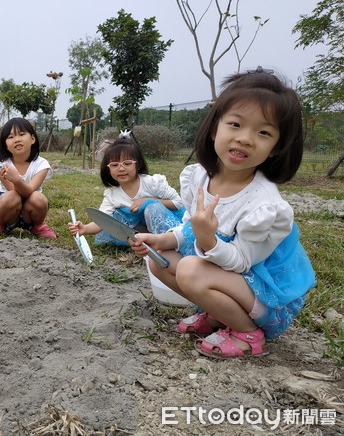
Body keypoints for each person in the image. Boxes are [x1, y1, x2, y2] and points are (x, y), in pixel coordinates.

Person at [128, 67, 315, 358]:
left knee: (190, 269)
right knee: (159, 262)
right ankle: (216, 316)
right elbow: (190, 226)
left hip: (266, 296)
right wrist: (162, 240)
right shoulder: (199, 177)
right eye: (236, 124)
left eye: (263, 132)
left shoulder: (265, 206)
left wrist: (209, 241)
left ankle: (247, 333)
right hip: (228, 283)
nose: (245, 139)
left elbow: (241, 262)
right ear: (216, 128)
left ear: (276, 147)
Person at [68, 138, 183, 245]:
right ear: (108, 169)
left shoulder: (152, 183)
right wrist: (85, 228)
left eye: (127, 163)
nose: (121, 168)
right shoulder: (113, 196)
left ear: (138, 164)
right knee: (118, 219)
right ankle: (145, 241)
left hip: (165, 228)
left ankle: (164, 244)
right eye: (114, 165)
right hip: (141, 229)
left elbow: (178, 203)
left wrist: (149, 200)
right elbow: (103, 221)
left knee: (152, 207)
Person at [0, 117, 56, 238]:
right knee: (12, 196)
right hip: (8, 209)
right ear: (5, 145)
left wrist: (16, 179)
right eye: (10, 137)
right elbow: (13, 192)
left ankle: (38, 226)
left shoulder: (42, 164)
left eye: (21, 134)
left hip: (29, 210)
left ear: (33, 139)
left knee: (39, 198)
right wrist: (9, 179)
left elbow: (27, 193)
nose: (16, 139)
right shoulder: (2, 166)